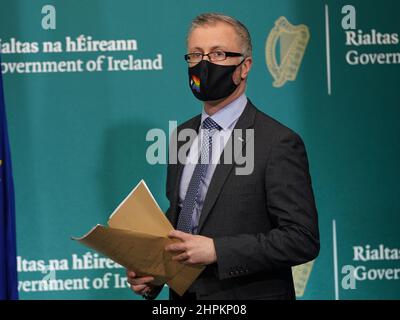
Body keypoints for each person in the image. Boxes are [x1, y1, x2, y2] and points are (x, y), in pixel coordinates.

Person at [127, 13, 319, 300]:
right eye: (195, 54)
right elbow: (184, 219)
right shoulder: (182, 136)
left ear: (245, 67)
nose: (204, 64)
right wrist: (155, 272)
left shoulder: (277, 142)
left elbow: (301, 239)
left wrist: (217, 251)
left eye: (218, 53)